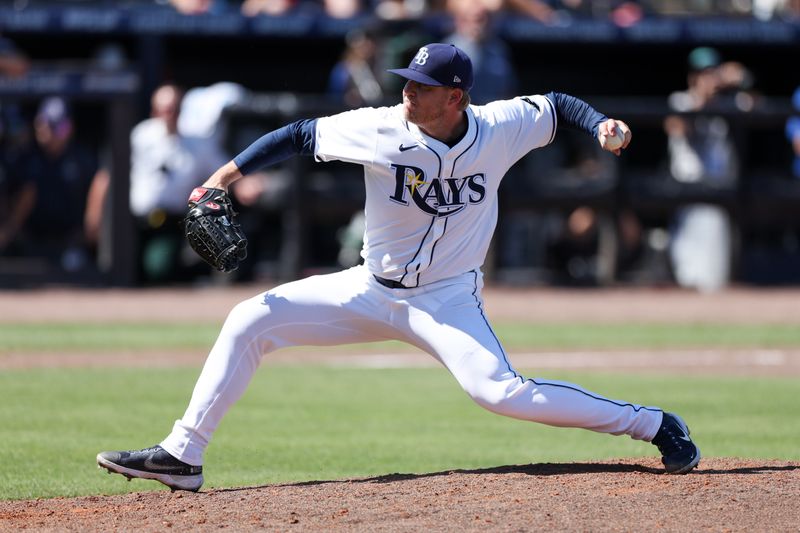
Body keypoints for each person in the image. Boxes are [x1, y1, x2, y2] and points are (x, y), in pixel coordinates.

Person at [97, 43, 700, 492]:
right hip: (368, 289)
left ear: (456, 97)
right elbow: (297, 136)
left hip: (447, 300)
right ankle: (184, 454)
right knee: (251, 319)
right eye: (407, 82)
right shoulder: (380, 128)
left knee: (499, 392)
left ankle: (650, 423)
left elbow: (558, 104)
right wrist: (221, 178)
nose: (408, 93)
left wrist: (600, 124)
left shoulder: (498, 127)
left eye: (421, 87)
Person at [129, 83, 229, 283]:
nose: (169, 115)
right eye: (164, 109)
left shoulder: (196, 144)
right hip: (134, 223)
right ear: (154, 110)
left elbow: (225, 169)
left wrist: (248, 181)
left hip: (170, 224)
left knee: (159, 268)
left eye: (174, 109)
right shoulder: (140, 136)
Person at [663, 47, 740, 292]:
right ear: (693, 77)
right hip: (689, 191)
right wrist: (702, 99)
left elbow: (755, 101)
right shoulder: (681, 100)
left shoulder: (727, 103)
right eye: (704, 74)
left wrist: (736, 81)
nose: (710, 80)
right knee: (688, 266)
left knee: (715, 274)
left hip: (718, 191)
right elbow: (675, 126)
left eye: (713, 74)